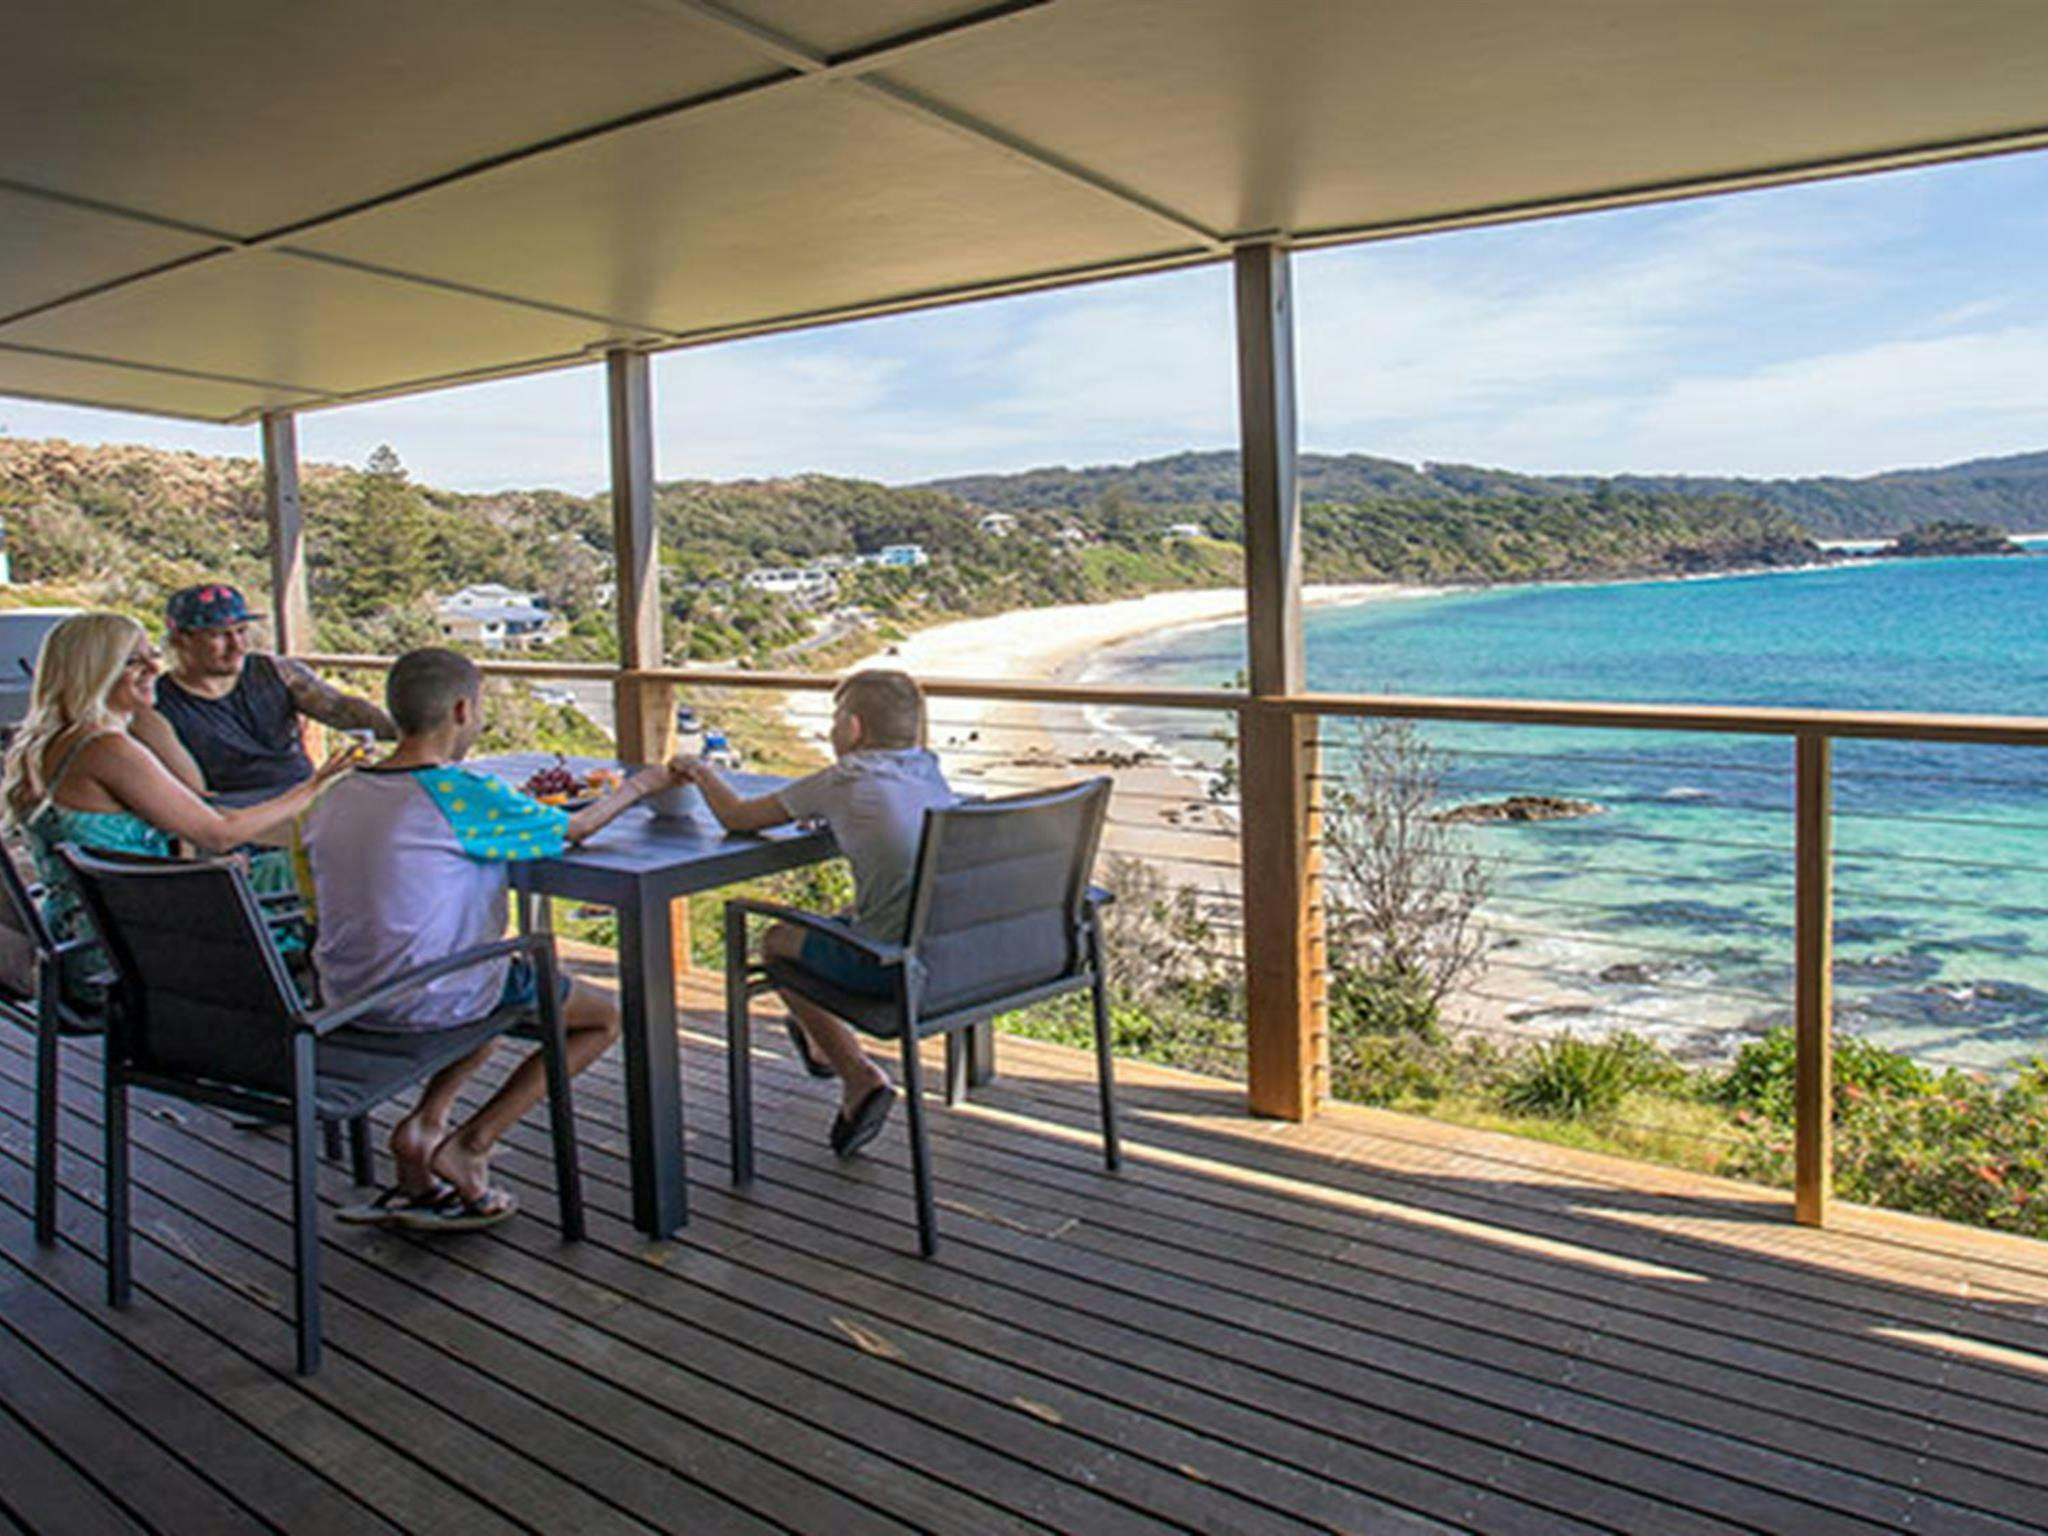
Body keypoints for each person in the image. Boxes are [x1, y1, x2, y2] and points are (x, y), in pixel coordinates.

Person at [302, 646, 682, 1231]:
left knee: (505, 985)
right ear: (461, 709)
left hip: (344, 993)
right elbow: (576, 827)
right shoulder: (460, 794)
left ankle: (424, 1130)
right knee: (600, 1016)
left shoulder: (339, 794)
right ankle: (472, 1143)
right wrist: (641, 785)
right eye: (477, 711)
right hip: (430, 994)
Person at [0, 612, 357, 999]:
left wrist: (195, 872)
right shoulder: (105, 749)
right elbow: (218, 833)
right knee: (330, 866)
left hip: (84, 935)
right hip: (127, 954)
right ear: (94, 671)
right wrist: (313, 786)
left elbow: (164, 818)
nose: (155, 667)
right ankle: (356, 1004)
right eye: (132, 661)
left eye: (152, 654)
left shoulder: (47, 743)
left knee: (283, 864)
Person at [681, 669, 955, 1158]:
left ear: (853, 729)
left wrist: (699, 771)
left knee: (776, 942)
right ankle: (817, 1039)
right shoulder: (927, 768)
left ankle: (858, 1075)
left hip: (894, 967)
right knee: (841, 916)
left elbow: (738, 818)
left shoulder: (845, 778)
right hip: (957, 957)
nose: (831, 731)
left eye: (834, 721)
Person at [147, 583, 393, 795]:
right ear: (181, 639)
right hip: (231, 816)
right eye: (219, 636)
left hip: (302, 797)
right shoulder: (157, 703)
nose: (237, 646)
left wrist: (411, 732)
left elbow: (340, 708)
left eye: (241, 632)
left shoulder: (275, 672)